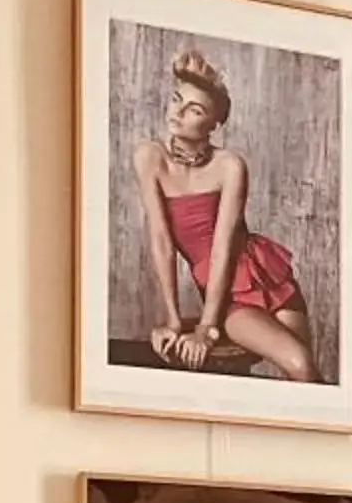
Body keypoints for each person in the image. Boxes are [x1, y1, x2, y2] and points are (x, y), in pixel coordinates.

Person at [133, 51, 317, 381]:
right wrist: (175, 320)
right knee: (299, 361)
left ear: (214, 125)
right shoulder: (150, 157)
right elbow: (161, 241)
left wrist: (205, 328)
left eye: (194, 109)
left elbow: (223, 247)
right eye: (177, 100)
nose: (177, 112)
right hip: (231, 296)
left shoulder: (230, 165)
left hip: (268, 275)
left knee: (308, 378)